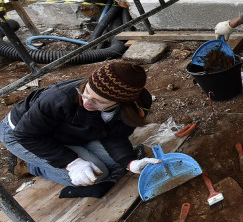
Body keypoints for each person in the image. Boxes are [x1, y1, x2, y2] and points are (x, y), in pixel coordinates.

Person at [0, 60, 159, 198]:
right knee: (96, 175)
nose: (86, 102)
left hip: (68, 133)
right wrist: (72, 163)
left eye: (98, 102)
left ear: (120, 103)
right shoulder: (58, 98)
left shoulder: (136, 105)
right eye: (86, 92)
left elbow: (115, 135)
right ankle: (27, 164)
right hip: (24, 135)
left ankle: (73, 149)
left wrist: (130, 163)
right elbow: (26, 135)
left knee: (115, 162)